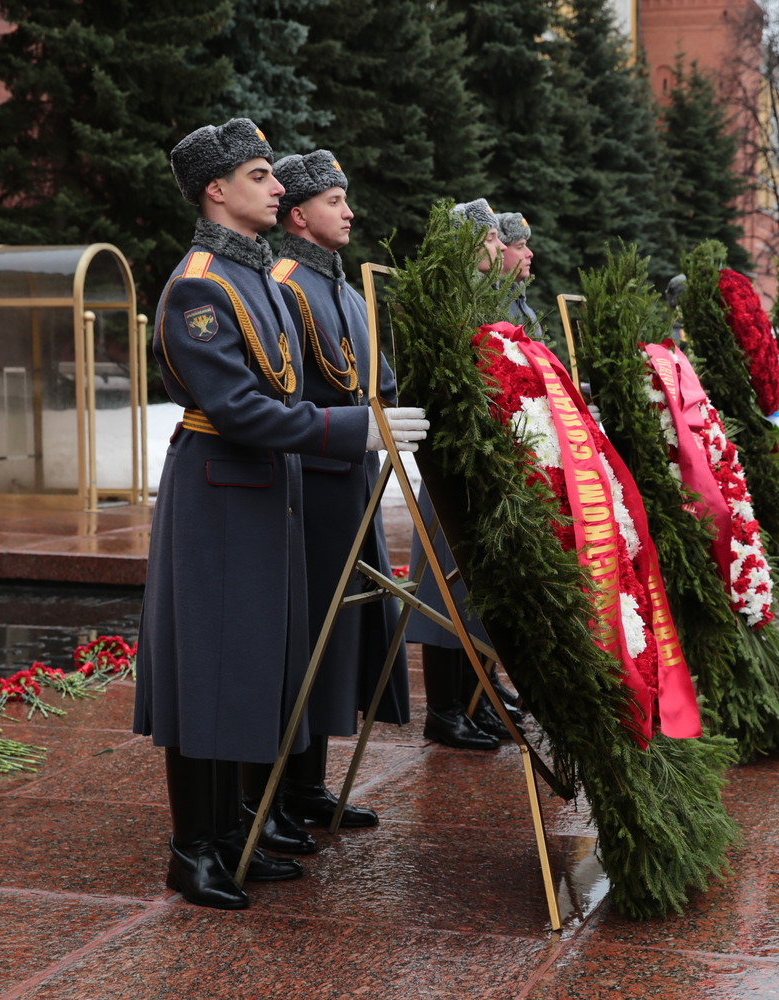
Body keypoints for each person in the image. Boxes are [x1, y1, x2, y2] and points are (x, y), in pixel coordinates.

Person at [134, 118, 428, 910]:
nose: (276, 187)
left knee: (254, 668)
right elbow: (239, 409)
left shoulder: (260, 277)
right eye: (260, 175)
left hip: (266, 491)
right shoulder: (201, 283)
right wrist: (351, 429)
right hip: (221, 491)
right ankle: (193, 850)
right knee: (211, 672)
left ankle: (234, 830)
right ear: (216, 190)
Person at [251, 149, 413, 842]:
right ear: (298, 215)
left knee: (337, 635)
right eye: (334, 201)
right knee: (304, 638)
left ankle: (309, 784)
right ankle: (277, 794)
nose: (348, 212)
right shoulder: (283, 280)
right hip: (308, 482)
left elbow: (373, 380)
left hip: (348, 479)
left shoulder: (344, 290)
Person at [405, 198, 523, 750]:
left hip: (482, 459)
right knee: (445, 586)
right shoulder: (450, 301)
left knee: (473, 591)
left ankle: (475, 699)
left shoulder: (485, 300)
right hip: (451, 462)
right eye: (496, 240)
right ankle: (446, 710)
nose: (504, 249)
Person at [494, 210, 542, 340]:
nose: (530, 253)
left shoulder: (523, 306)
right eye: (520, 246)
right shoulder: (490, 307)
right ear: (499, 250)